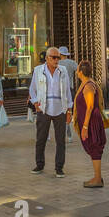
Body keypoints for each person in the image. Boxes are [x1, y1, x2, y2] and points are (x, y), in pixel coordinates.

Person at [29, 47, 73, 176]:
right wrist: (36, 103)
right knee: (41, 139)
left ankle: (59, 168)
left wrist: (69, 111)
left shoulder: (63, 70)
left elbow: (68, 91)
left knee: (60, 141)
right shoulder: (38, 71)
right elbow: (32, 89)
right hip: (44, 109)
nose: (56, 60)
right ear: (47, 58)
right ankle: (39, 165)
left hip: (60, 109)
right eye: (54, 57)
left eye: (58, 57)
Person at [72, 60, 107, 187]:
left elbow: (90, 106)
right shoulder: (87, 84)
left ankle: (97, 179)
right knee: (93, 148)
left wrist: (85, 126)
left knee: (94, 147)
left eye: (77, 70)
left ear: (81, 72)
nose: (76, 72)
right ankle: (97, 177)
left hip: (91, 122)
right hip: (90, 121)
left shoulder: (88, 86)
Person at [57, 48, 79, 141]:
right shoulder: (72, 62)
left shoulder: (57, 63)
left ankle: (63, 132)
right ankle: (69, 133)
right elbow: (79, 71)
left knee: (60, 112)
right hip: (69, 89)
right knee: (69, 111)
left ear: (60, 54)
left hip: (58, 90)